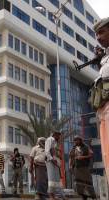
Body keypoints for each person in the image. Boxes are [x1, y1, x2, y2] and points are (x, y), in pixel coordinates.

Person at [93, 17, 109, 184]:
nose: (98, 37)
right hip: (103, 110)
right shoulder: (105, 58)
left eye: (102, 32)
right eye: (96, 34)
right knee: (107, 156)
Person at [69, 135, 96, 200]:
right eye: (75, 140)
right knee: (79, 184)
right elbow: (71, 157)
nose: (76, 141)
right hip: (77, 168)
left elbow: (91, 154)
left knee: (88, 182)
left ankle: (93, 196)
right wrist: (70, 166)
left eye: (77, 140)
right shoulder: (73, 148)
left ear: (80, 140)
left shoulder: (85, 147)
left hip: (84, 167)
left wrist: (83, 157)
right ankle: (84, 197)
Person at [45, 131, 66, 200]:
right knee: (52, 179)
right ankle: (51, 196)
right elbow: (47, 151)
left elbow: (55, 152)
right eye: (58, 135)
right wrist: (51, 159)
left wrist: (59, 156)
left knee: (56, 179)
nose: (59, 137)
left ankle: (55, 196)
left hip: (56, 162)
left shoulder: (55, 142)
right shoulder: (50, 139)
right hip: (51, 161)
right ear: (54, 135)